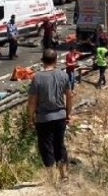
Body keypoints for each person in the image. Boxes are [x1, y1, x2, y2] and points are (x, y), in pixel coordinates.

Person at [27, 49, 73, 183]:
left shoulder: (37, 78)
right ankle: (63, 175)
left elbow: (32, 101)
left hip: (44, 119)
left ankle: (50, 178)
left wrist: (30, 118)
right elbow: (69, 96)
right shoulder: (63, 75)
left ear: (42, 61)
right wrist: (68, 114)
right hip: (60, 116)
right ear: (56, 60)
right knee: (59, 145)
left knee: (46, 147)